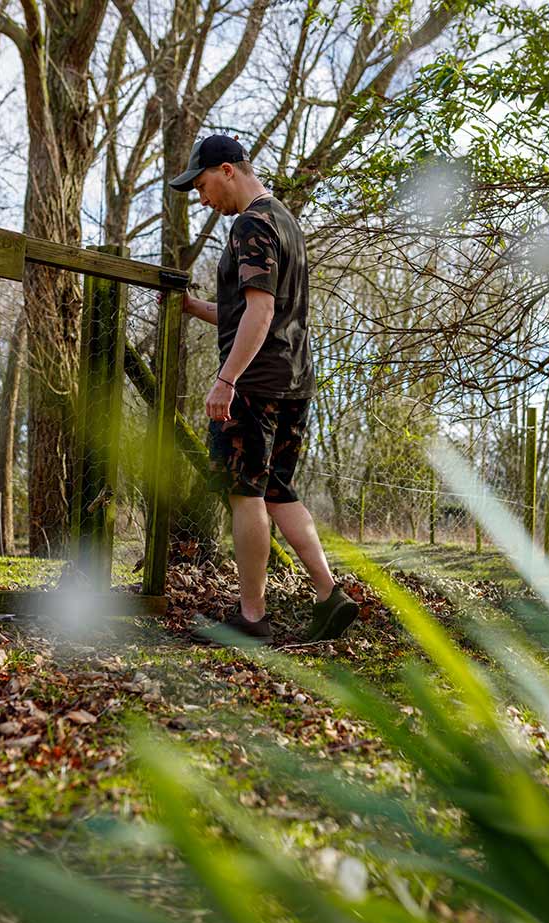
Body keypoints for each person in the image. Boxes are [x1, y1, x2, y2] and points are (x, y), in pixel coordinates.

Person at [169, 134, 359, 643]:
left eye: (203, 186)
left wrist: (225, 379)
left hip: (254, 384)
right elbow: (250, 312)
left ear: (227, 170)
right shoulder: (286, 223)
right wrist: (196, 308)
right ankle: (329, 594)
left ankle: (251, 618)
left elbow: (261, 311)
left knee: (245, 492)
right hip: (294, 380)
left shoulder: (252, 224)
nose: (203, 199)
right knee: (277, 491)